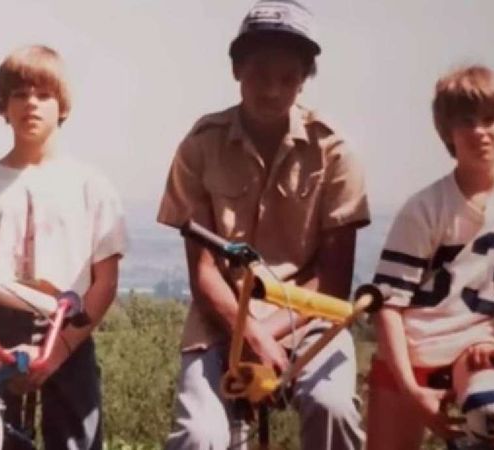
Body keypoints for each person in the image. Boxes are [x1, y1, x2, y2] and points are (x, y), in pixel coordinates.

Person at [157, 1, 370, 448]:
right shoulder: (199, 146)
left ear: (305, 78)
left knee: (333, 408)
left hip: (312, 320)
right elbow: (203, 271)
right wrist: (248, 333)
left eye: (288, 77)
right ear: (236, 70)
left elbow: (332, 282)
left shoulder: (335, 152)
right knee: (199, 437)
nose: (272, 90)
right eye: (259, 74)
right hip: (219, 320)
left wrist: (271, 334)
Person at [366, 64, 494, 450]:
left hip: (478, 354)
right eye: (466, 121)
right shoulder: (424, 208)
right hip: (410, 356)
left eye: (490, 118)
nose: (480, 131)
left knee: (492, 416)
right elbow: (388, 306)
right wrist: (411, 390)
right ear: (447, 132)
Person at [0, 44, 127, 450]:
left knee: (76, 440)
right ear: (2, 106)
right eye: (19, 94)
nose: (31, 104)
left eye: (43, 94)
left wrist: (59, 351)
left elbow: (105, 281)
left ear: (62, 105)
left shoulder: (90, 185)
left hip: (67, 331)